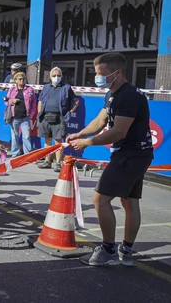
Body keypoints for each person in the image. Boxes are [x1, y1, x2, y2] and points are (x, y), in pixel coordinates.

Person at [69, 53, 153, 267]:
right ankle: (126, 252)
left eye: (101, 74)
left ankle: (108, 250)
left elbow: (118, 132)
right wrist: (81, 133)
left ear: (117, 73)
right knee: (129, 201)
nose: (98, 77)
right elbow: (100, 120)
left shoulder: (129, 96)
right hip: (133, 153)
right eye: (96, 73)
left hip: (131, 154)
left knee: (100, 199)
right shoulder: (112, 93)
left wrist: (88, 143)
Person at [37, 67, 79, 171]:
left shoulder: (66, 88)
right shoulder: (46, 87)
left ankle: (57, 163)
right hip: (45, 117)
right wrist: (39, 113)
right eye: (54, 75)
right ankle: (47, 161)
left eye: (58, 75)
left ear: (62, 76)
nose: (56, 77)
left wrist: (70, 112)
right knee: (47, 140)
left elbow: (76, 101)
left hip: (59, 117)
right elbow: (40, 101)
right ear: (50, 77)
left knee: (58, 141)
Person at [5, 72, 36, 157]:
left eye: (23, 79)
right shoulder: (12, 89)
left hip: (25, 117)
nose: (22, 81)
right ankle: (15, 153)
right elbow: (6, 102)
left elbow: (34, 103)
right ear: (15, 80)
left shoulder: (30, 89)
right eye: (20, 79)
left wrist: (31, 114)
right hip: (14, 117)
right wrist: (12, 101)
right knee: (14, 136)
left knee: (26, 136)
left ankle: (27, 155)